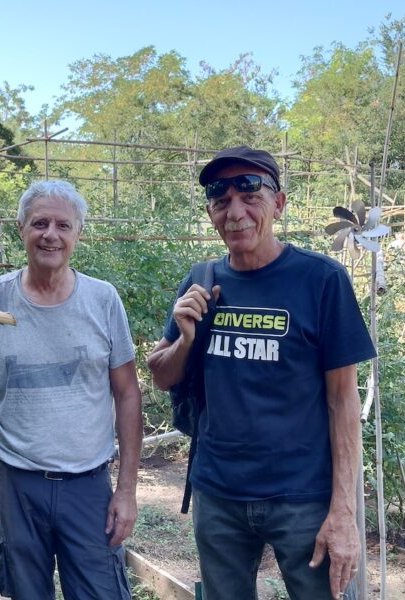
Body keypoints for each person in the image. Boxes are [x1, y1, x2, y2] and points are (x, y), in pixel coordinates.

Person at [147, 146, 376, 600]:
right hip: (218, 495)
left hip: (304, 498)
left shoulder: (321, 280)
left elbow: (343, 400)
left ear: (279, 203)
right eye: (220, 199)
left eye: (249, 194)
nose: (235, 213)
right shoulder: (202, 277)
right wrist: (188, 337)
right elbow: (160, 374)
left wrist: (344, 510)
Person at [0, 179, 142, 600]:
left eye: (63, 226)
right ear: (21, 229)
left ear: (78, 233)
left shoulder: (102, 300)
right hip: (16, 482)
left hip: (87, 484)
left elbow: (127, 393)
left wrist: (126, 490)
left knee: (101, 591)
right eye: (40, 223)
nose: (51, 234)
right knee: (26, 590)